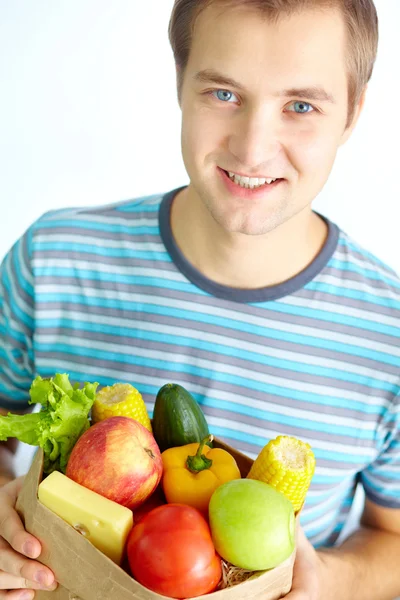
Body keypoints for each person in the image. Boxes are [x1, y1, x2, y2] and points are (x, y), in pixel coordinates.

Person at [1, 0, 399, 598]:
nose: (253, 148)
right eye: (223, 94)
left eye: (300, 106)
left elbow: (392, 536)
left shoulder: (389, 329)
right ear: (181, 85)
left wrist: (331, 581)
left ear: (351, 115)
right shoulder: (54, 259)